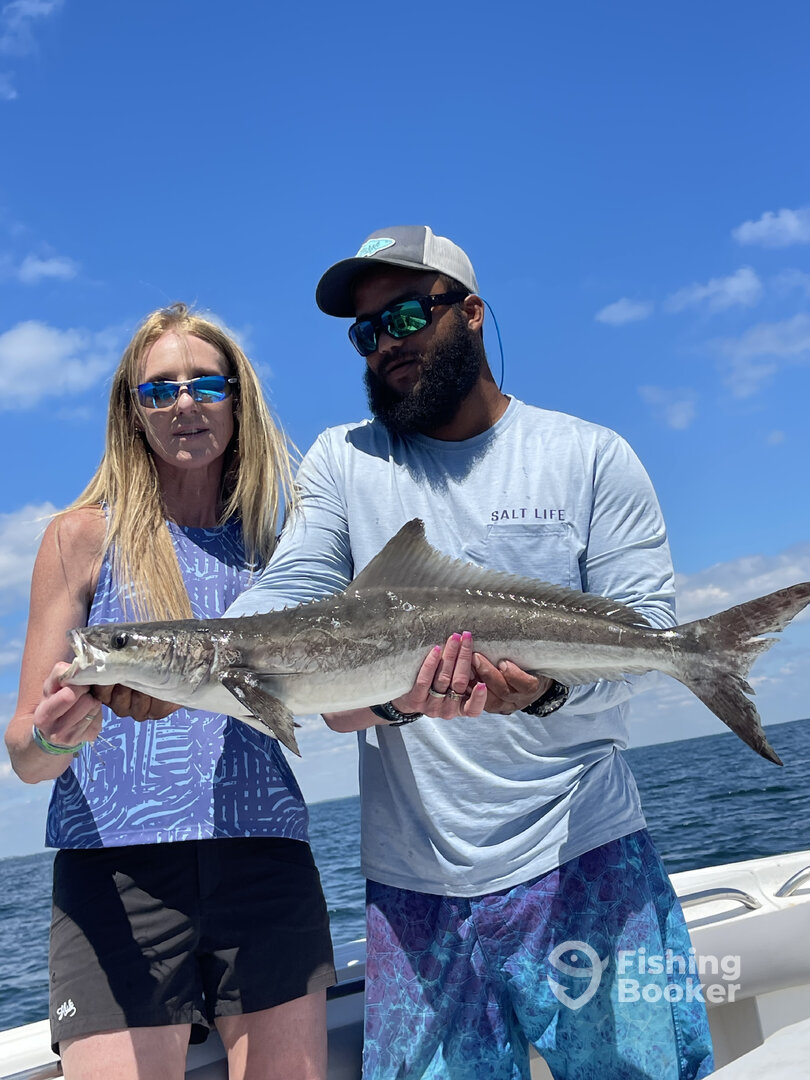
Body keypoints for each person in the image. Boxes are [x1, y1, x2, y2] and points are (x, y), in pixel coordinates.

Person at [225, 227, 715, 1080]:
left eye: (407, 316)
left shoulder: (590, 457)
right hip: (414, 890)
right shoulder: (344, 460)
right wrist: (196, 654)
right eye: (366, 332)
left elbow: (644, 638)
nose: (386, 343)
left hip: (584, 857)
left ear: (474, 312)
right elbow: (293, 581)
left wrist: (545, 691)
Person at [5, 304, 335, 1080]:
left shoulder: (283, 546)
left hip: (265, 857)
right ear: (134, 411)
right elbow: (24, 754)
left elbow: (340, 697)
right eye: (159, 389)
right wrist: (55, 733)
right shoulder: (79, 538)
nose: (184, 403)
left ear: (237, 398)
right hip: (115, 875)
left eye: (205, 384)